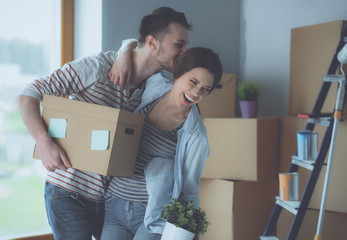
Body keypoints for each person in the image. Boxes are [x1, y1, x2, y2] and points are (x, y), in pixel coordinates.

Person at [16, 7, 191, 240]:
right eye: (179, 44)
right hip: (68, 192)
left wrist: (126, 48)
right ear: (152, 42)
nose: (184, 51)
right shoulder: (98, 68)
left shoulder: (152, 88)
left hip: (108, 200)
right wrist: (43, 141)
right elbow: (28, 95)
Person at [101, 47, 223, 240]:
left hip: (153, 216)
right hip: (114, 203)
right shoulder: (155, 83)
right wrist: (124, 52)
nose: (196, 92)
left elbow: (189, 190)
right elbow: (140, 50)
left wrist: (190, 232)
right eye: (193, 81)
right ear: (178, 73)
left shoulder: (195, 136)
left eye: (205, 89)